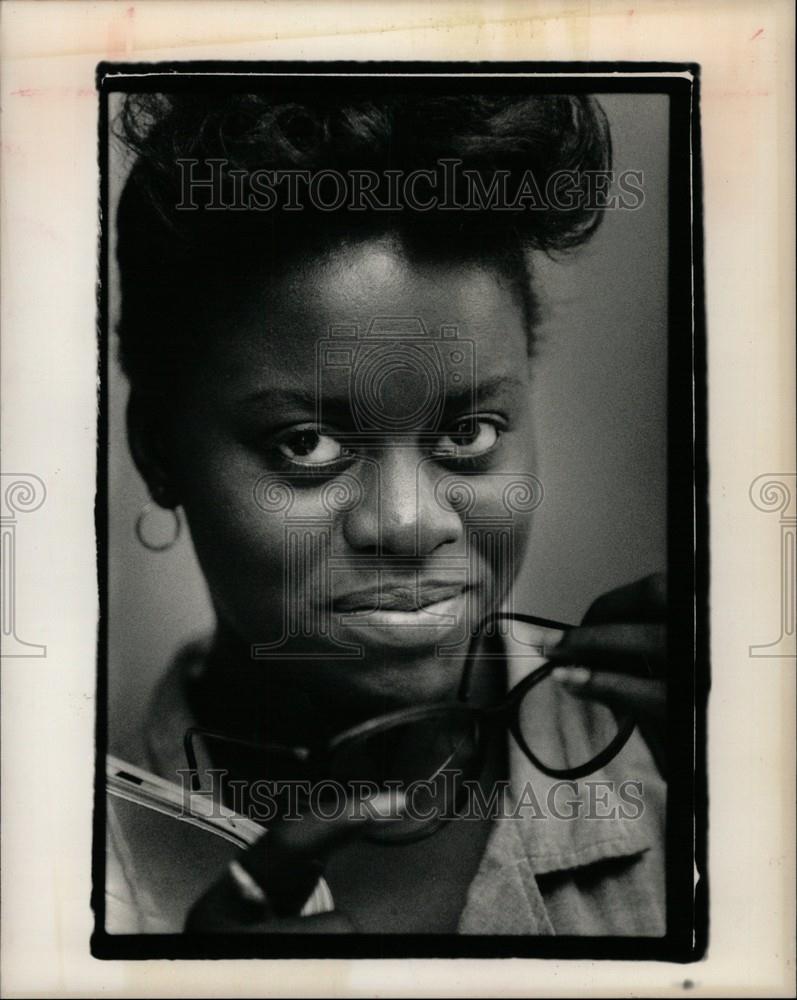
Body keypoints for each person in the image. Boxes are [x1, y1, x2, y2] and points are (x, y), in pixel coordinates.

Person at [108, 89, 667, 935]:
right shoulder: (52, 869)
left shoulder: (690, 766)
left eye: (469, 432)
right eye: (305, 446)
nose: (408, 526)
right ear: (156, 449)